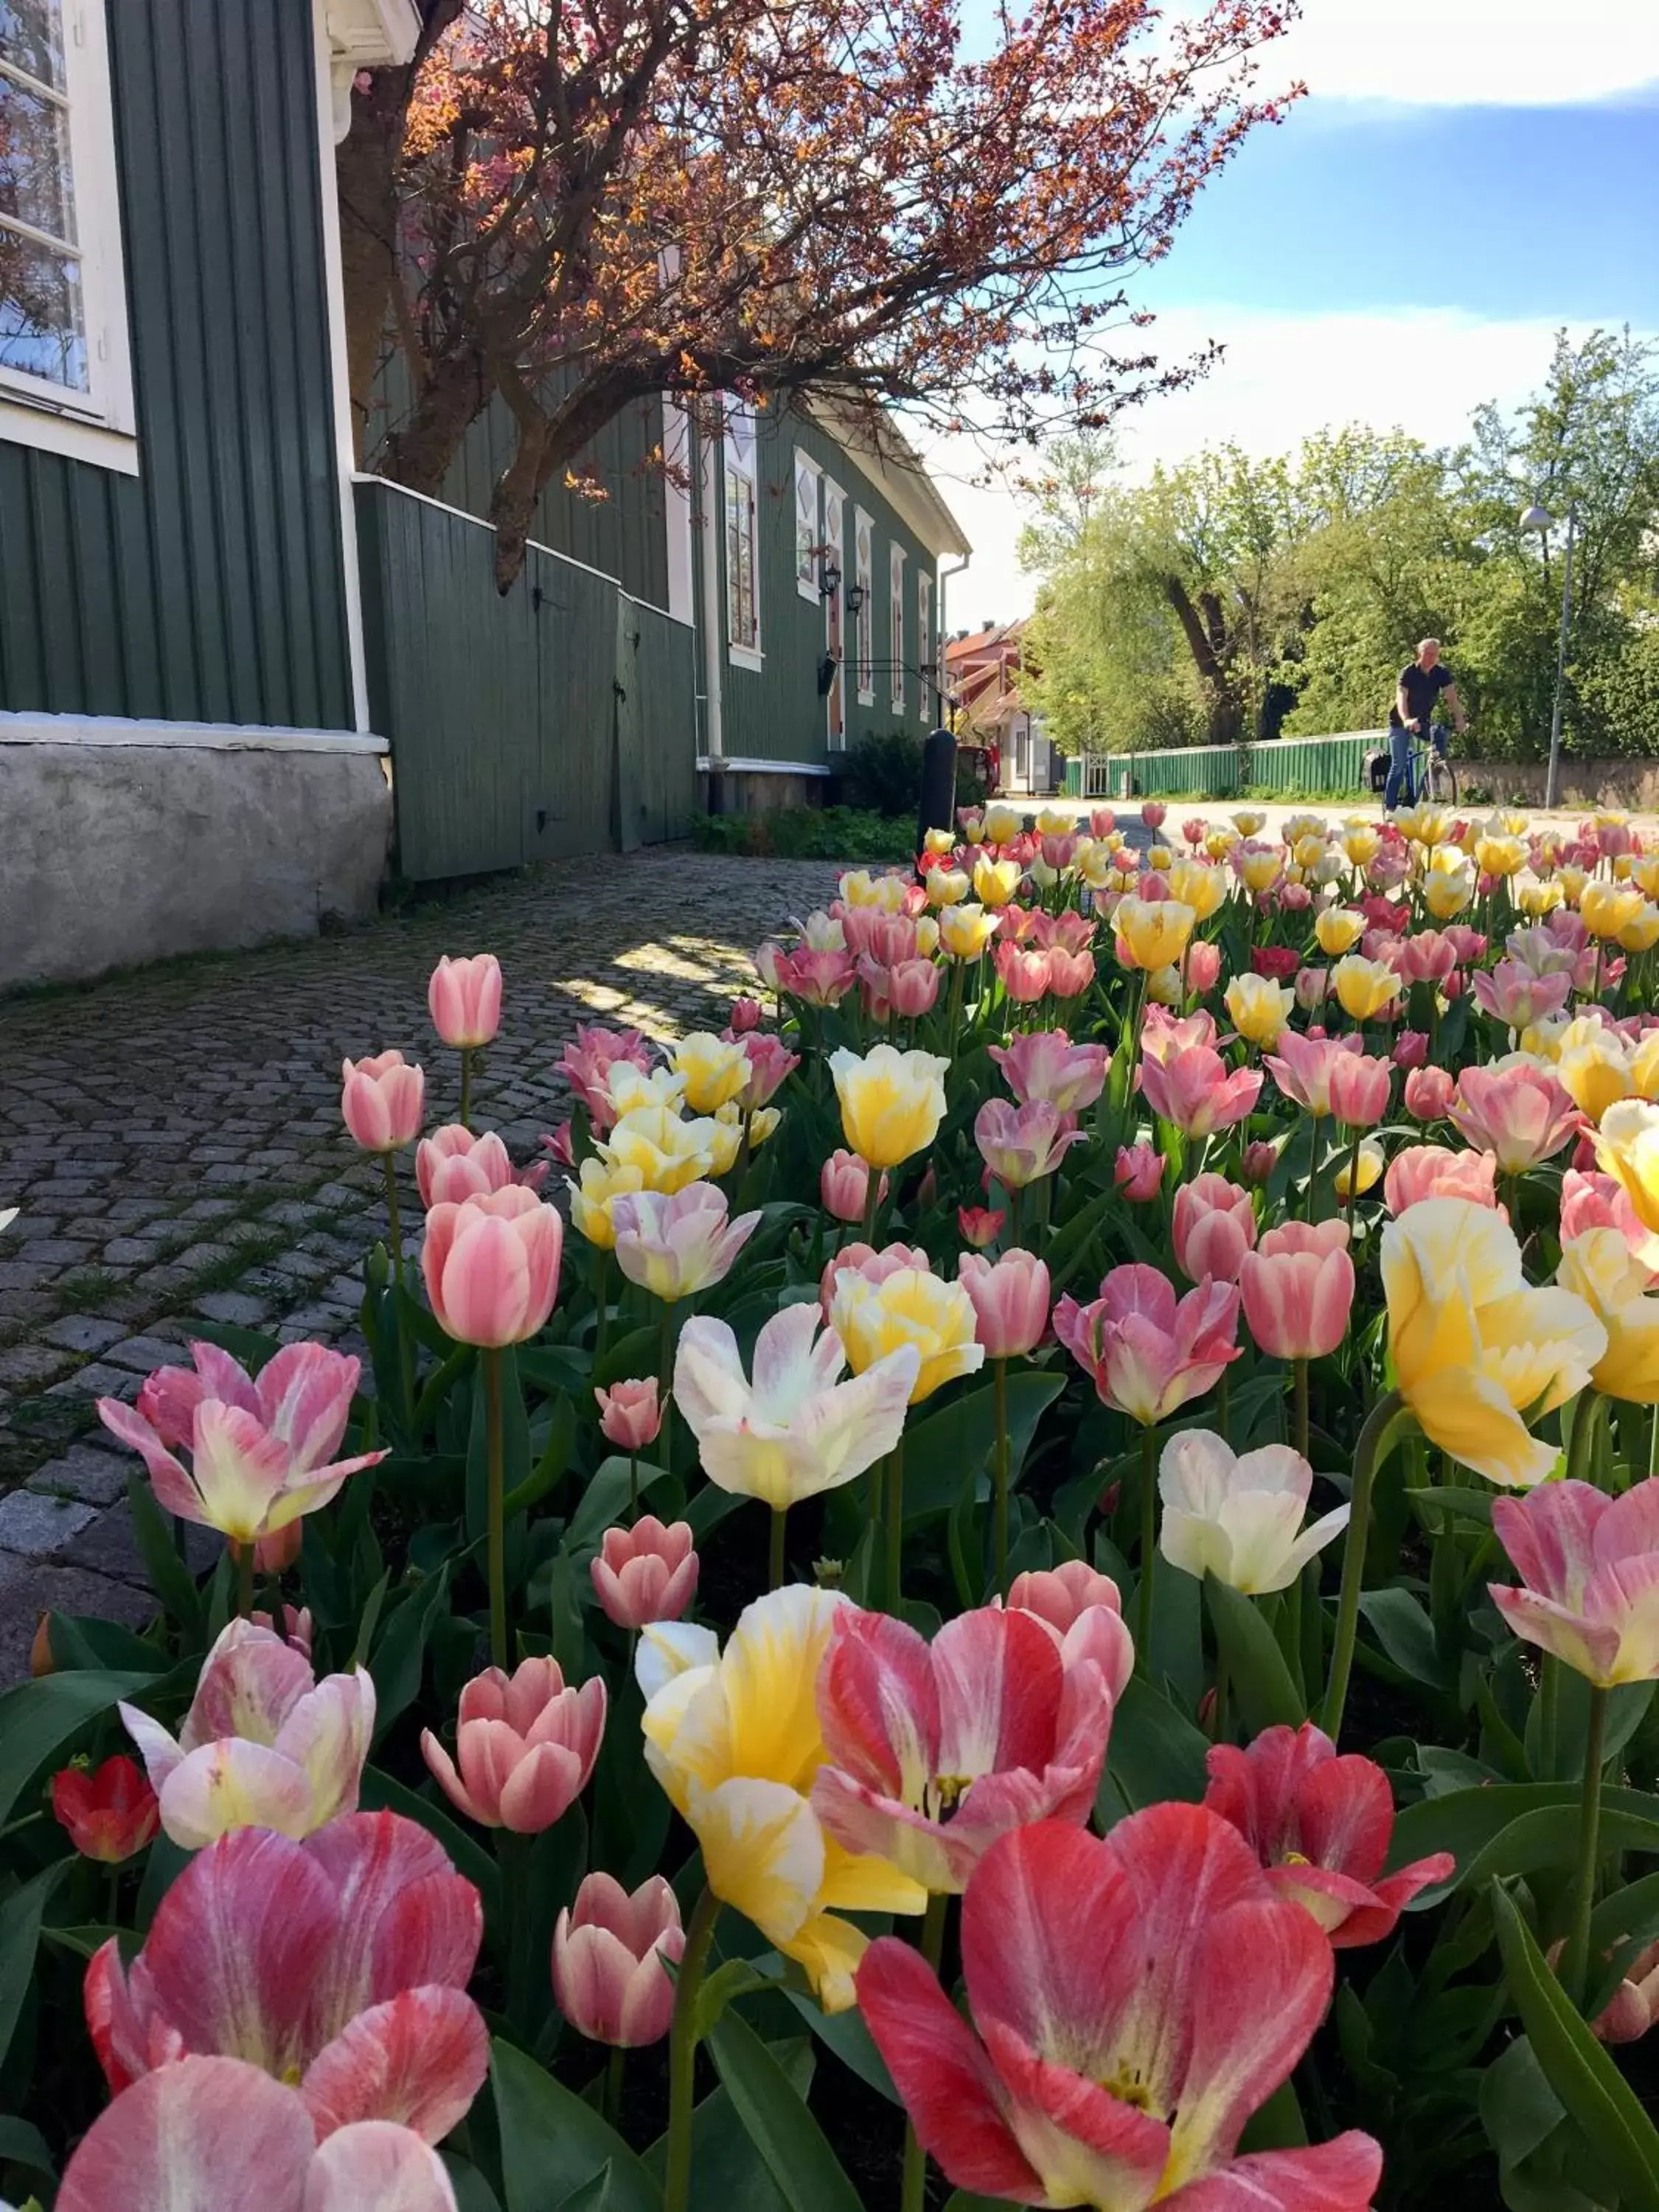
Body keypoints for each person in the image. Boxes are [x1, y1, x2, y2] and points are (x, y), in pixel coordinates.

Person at [1385, 639, 1466, 810]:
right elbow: (1401, 699)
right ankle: (1390, 808)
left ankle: (1435, 768)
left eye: (1434, 655)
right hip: (1400, 722)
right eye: (1427, 654)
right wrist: (1406, 719)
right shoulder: (1408, 672)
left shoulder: (1441, 673)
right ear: (1419, 654)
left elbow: (1451, 698)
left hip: (1422, 722)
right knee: (1399, 764)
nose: (1431, 658)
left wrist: (1459, 719)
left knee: (1439, 733)